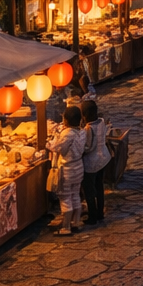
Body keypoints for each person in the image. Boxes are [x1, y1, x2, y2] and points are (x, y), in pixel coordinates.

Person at [48, 105, 88, 234]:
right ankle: (76, 222)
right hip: (78, 167)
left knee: (65, 197)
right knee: (75, 194)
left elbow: (58, 148)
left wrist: (48, 143)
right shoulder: (82, 132)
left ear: (66, 120)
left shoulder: (67, 134)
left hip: (67, 170)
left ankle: (66, 227)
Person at [79, 98, 111, 226]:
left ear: (85, 116)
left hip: (92, 163)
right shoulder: (102, 122)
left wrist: (80, 148)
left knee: (89, 190)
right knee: (99, 187)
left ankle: (92, 216)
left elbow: (88, 147)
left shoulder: (88, 129)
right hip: (103, 158)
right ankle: (100, 213)